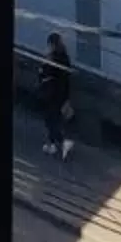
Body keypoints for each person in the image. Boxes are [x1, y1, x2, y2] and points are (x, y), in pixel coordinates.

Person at [36, 32, 75, 160]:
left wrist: (42, 68)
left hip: (52, 93)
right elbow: (66, 78)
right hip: (61, 94)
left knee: (50, 119)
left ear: (52, 44)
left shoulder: (53, 58)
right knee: (53, 119)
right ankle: (54, 143)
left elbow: (45, 72)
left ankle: (58, 142)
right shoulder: (65, 57)